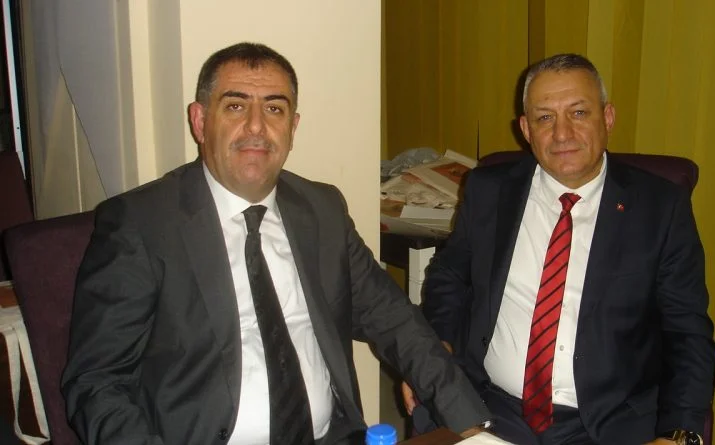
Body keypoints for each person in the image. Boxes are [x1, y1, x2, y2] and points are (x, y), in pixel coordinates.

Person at [61, 42, 490, 445]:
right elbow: (97, 382)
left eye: (274, 108)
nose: (256, 126)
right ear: (200, 121)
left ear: (292, 126)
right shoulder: (140, 224)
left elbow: (394, 320)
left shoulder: (321, 209)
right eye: (235, 106)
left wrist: (471, 426)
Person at [403, 54, 715, 445]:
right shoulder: (489, 190)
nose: (562, 134)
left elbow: (687, 330)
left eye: (579, 113)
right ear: (526, 129)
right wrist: (437, 345)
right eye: (545, 117)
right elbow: (450, 274)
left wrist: (679, 433)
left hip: (608, 422)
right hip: (489, 407)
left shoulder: (660, 208)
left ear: (608, 118)